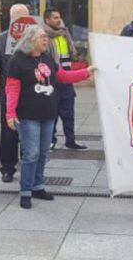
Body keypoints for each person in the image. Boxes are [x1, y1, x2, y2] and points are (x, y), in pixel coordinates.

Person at [6, 25, 92, 209]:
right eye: (42, 37)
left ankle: (38, 186)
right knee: (31, 154)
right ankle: (26, 191)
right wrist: (10, 114)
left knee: (43, 153)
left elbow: (63, 77)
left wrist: (86, 73)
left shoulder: (48, 58)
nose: (46, 40)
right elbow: (12, 89)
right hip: (28, 115)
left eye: (46, 37)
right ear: (30, 40)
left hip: (48, 114)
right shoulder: (17, 60)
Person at [0, 4, 29, 183]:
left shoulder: (35, 38)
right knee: (8, 132)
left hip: (31, 95)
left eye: (25, 18)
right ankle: (8, 168)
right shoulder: (1, 39)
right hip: (9, 95)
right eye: (19, 19)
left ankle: (29, 166)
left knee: (29, 131)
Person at [43, 8, 87, 151]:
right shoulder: (43, 36)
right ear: (47, 20)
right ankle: (50, 140)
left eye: (59, 17)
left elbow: (70, 54)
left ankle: (70, 140)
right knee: (52, 114)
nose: (59, 20)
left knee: (69, 113)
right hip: (52, 80)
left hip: (67, 79)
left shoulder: (64, 34)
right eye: (55, 17)